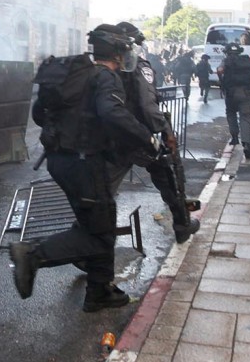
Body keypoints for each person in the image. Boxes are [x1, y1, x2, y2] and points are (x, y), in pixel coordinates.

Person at [9, 24, 159, 313]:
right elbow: (112, 113)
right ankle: (32, 254)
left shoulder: (73, 75)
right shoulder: (105, 77)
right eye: (125, 50)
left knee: (98, 222)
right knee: (99, 234)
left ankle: (99, 291)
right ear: (118, 52)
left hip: (58, 160)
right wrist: (147, 138)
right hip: (84, 165)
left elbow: (39, 114)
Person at [110, 21, 200, 244]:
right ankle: (182, 224)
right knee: (169, 179)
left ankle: (86, 237)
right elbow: (148, 105)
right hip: (142, 137)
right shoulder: (140, 67)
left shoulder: (108, 68)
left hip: (115, 136)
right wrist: (166, 131)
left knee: (102, 191)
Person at [217, 42, 250, 160]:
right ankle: (246, 144)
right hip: (245, 93)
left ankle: (234, 137)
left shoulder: (226, 61)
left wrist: (224, 81)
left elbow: (219, 70)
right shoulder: (246, 61)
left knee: (231, 114)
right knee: (245, 118)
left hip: (231, 93)